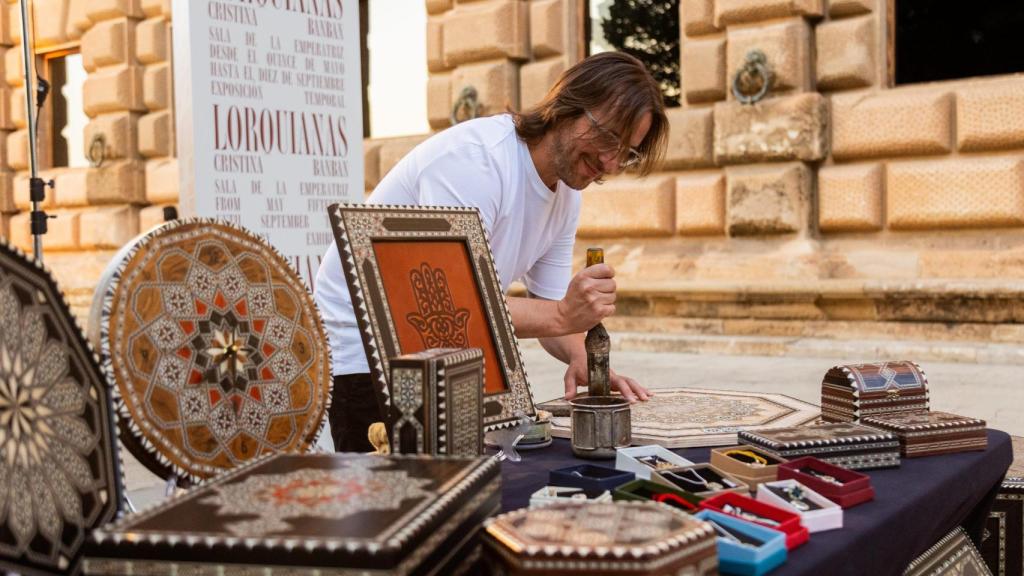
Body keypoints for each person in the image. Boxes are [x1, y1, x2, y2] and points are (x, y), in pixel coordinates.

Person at [315, 51, 670, 452]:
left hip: (439, 349)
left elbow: (549, 306)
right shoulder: (477, 159)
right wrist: (563, 315)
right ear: (568, 106)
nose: (610, 162)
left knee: (466, 488)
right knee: (395, 500)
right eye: (607, 138)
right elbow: (448, 305)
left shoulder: (567, 194)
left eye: (627, 152)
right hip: (366, 348)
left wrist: (584, 358)